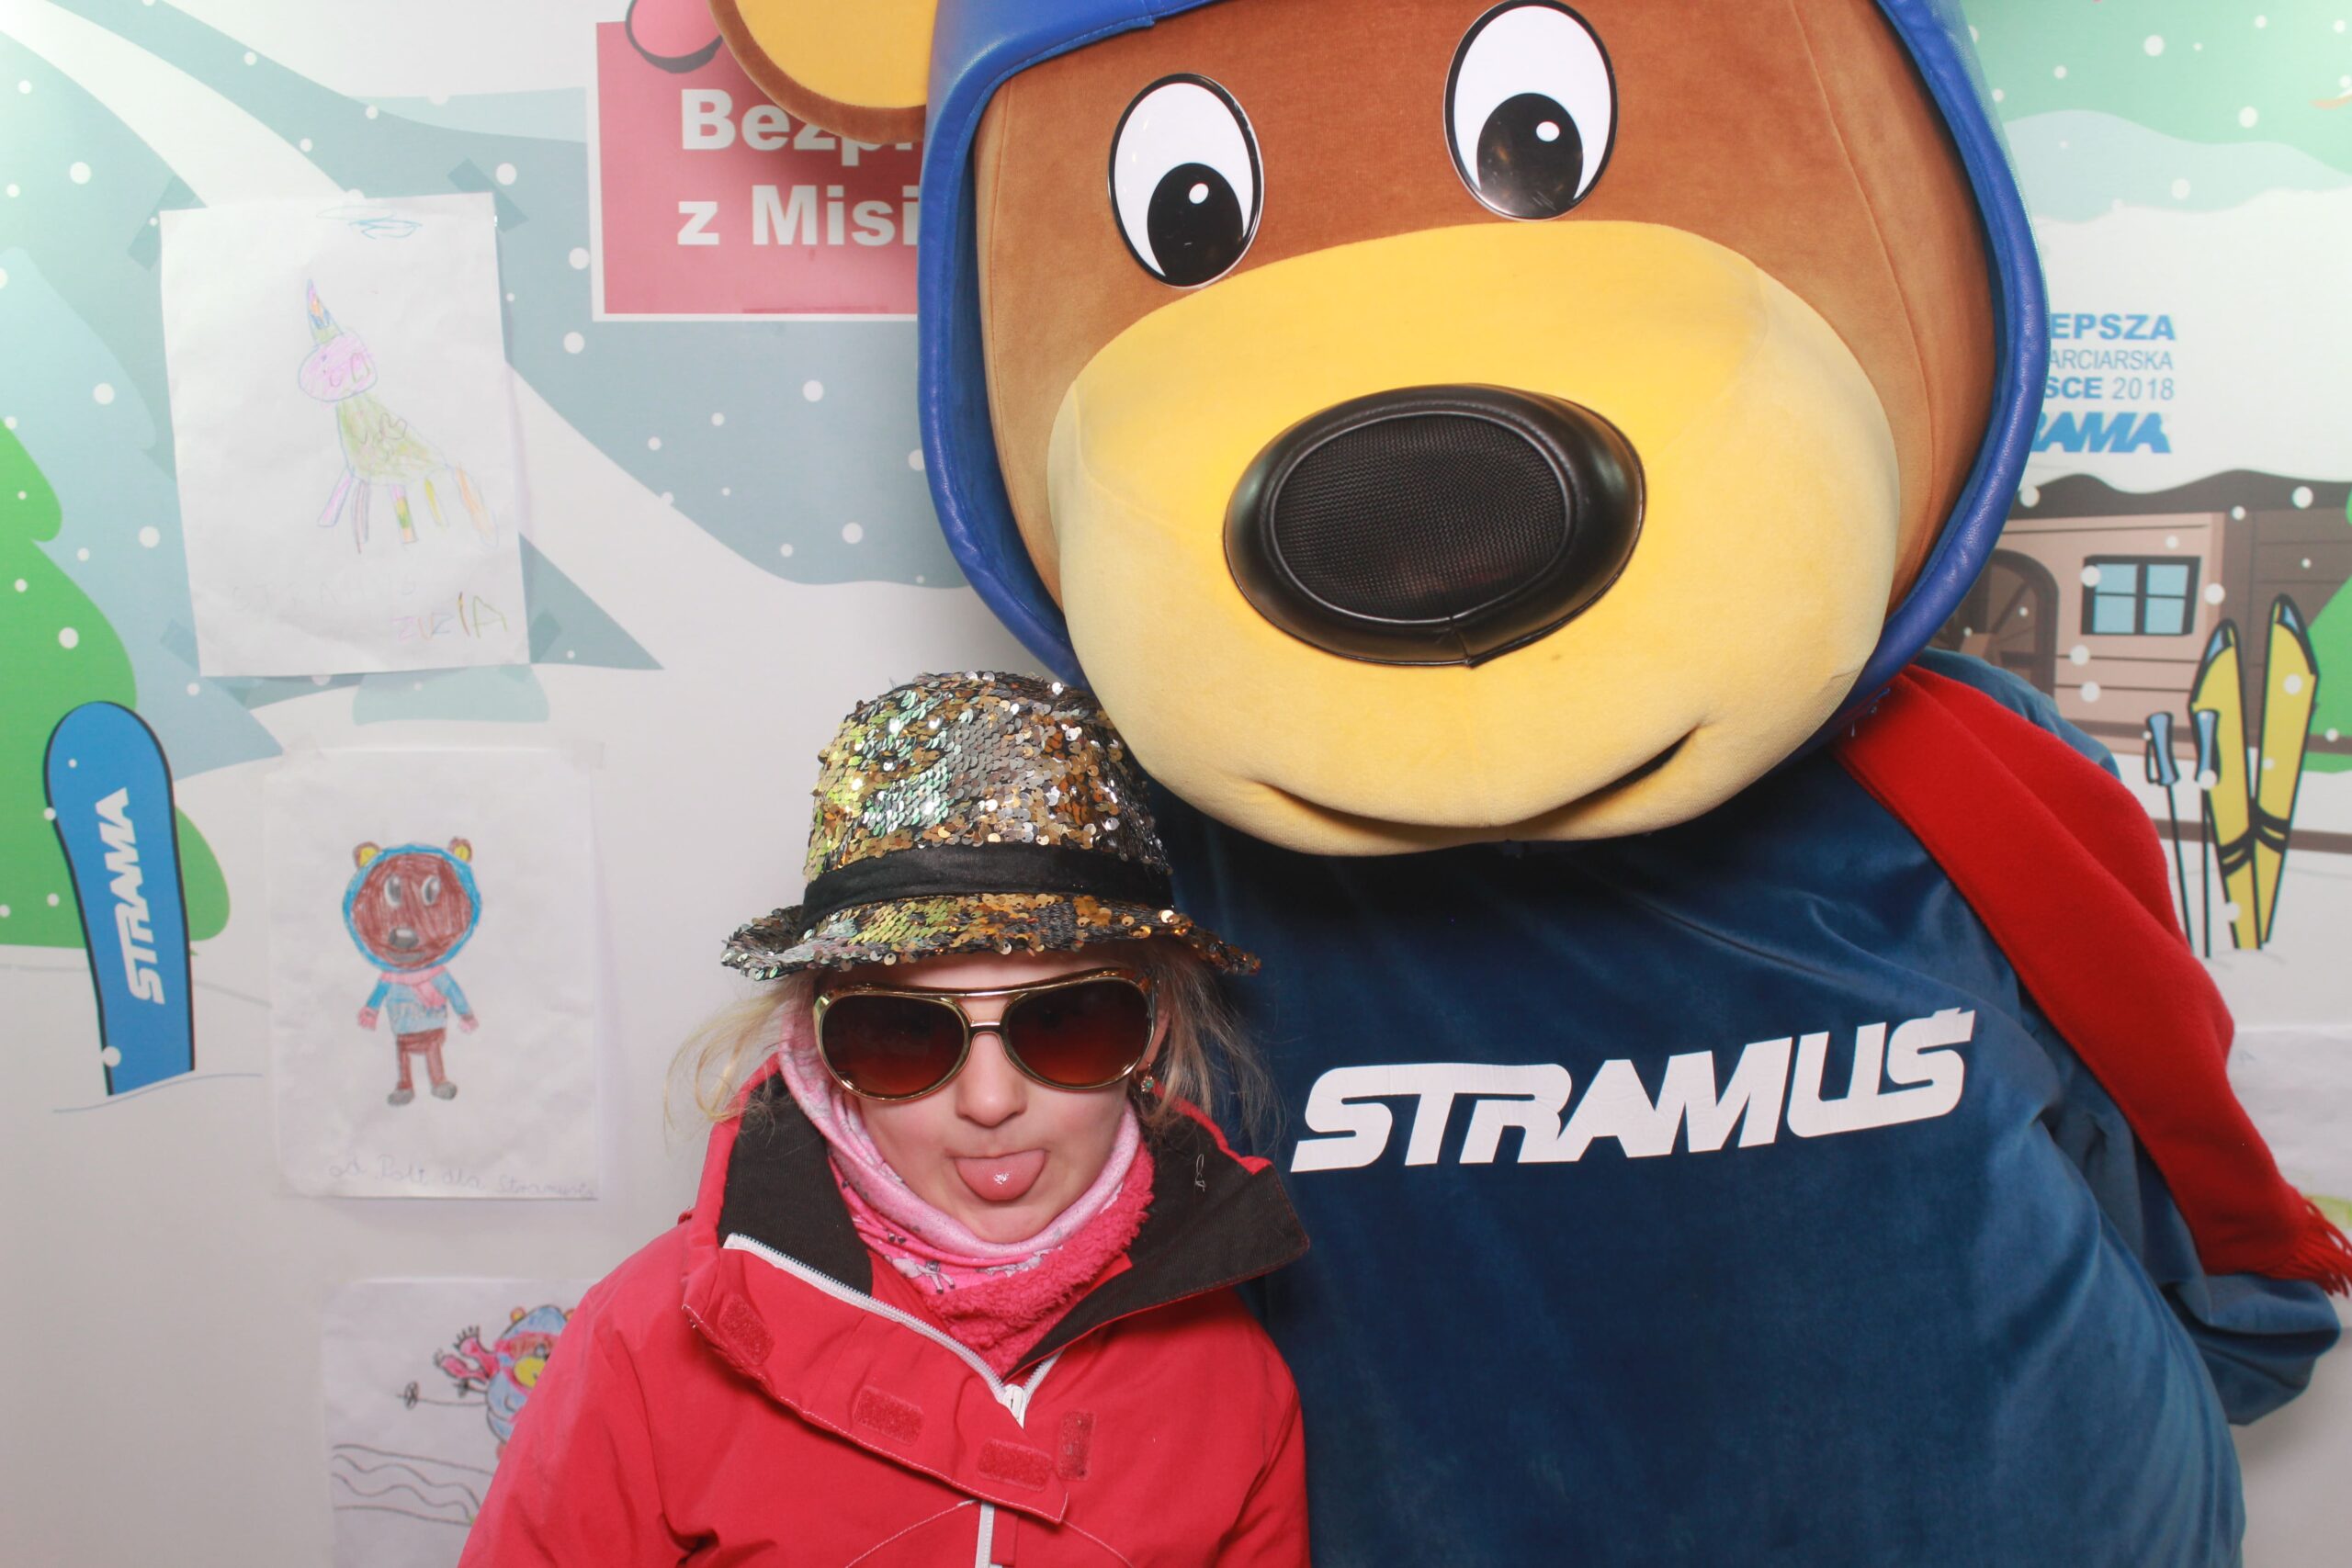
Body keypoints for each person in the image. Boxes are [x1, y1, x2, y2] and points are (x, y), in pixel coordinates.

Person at [459, 671, 1309, 1566]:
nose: (990, 1102)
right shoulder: (645, 1337)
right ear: (819, 1044)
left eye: (1066, 1021)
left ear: (1153, 1029)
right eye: (905, 1033)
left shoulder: (1238, 1382)